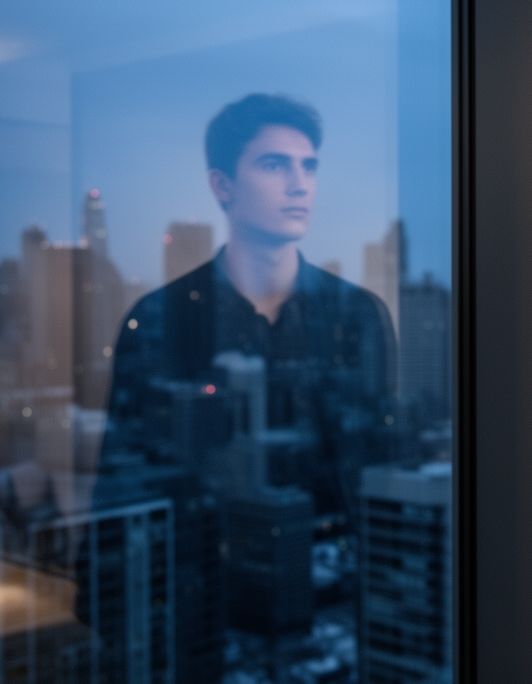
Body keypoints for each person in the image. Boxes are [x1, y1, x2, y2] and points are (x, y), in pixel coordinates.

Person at [83, 94, 396, 682]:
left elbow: (380, 474)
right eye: (274, 165)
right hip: (201, 614)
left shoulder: (357, 316)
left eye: (309, 166)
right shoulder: (160, 318)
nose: (299, 184)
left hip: (343, 618)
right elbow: (121, 487)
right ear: (221, 185)